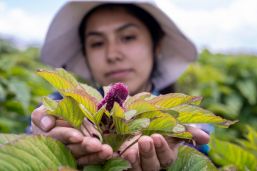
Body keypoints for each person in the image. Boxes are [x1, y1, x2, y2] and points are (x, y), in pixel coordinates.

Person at [31, 0, 210, 170]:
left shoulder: (185, 119)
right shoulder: (66, 104)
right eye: (97, 43)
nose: (112, 54)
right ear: (85, 55)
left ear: (157, 46)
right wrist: (44, 145)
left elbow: (204, 144)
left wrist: (181, 153)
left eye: (128, 37)